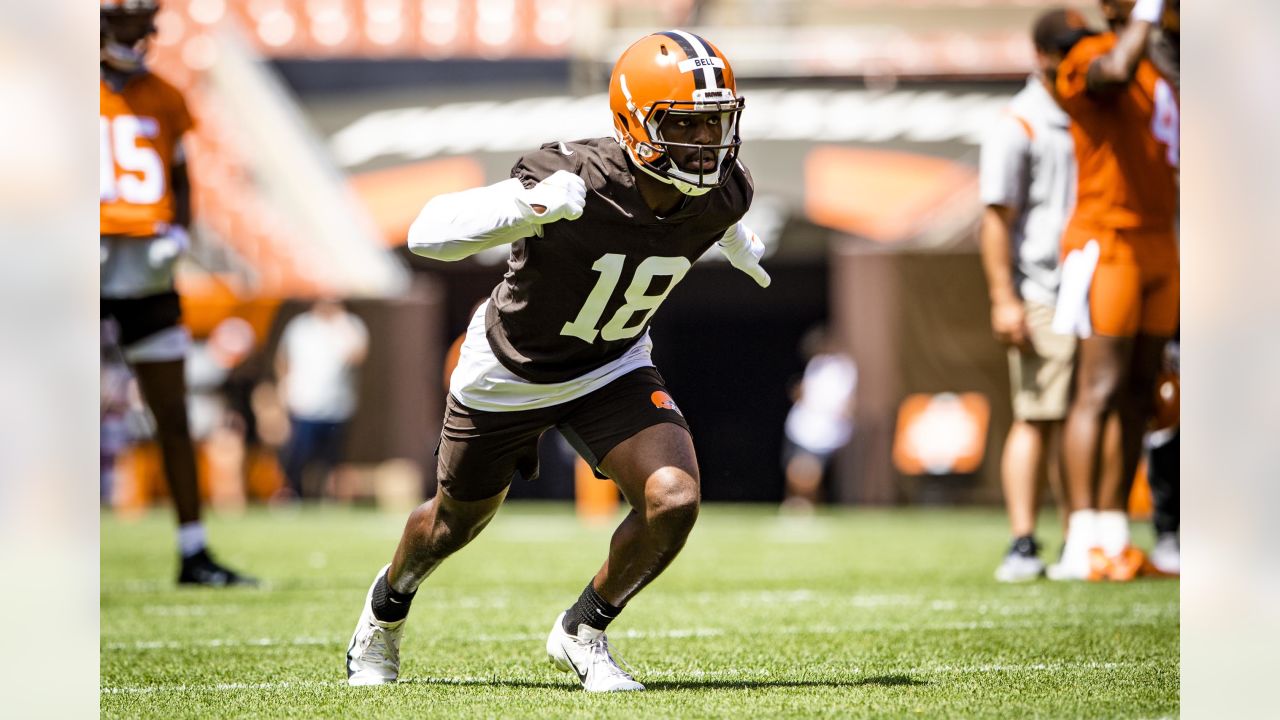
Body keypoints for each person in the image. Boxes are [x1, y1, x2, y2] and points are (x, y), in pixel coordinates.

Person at [344, 30, 770, 692]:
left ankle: (583, 629)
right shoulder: (572, 176)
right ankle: (386, 608)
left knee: (674, 497)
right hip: (513, 369)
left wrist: (737, 240)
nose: (707, 144)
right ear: (636, 124)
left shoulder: (723, 191)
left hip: (611, 366)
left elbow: (720, 212)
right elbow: (425, 233)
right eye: (687, 126)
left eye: (717, 124)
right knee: (452, 526)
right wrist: (522, 208)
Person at [99, 0, 253, 586]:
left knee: (171, 411)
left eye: (144, 23)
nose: (137, 35)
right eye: (126, 23)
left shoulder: (166, 96)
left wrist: (179, 233)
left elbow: (184, 180)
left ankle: (193, 549)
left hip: (147, 272)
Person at [1045, 0, 1180, 581]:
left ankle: (1116, 532)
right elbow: (1115, 75)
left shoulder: (1165, 62)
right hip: (1108, 238)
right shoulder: (1092, 54)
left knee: (1139, 393)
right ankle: (1081, 539)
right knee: (1096, 388)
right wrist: (1146, 18)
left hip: (1159, 239)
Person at [977, 8, 1083, 582]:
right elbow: (995, 218)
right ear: (1043, 54)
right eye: (1069, 48)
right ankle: (1022, 540)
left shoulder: (1089, 111)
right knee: (1039, 416)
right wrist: (1004, 297)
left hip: (1092, 284)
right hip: (1042, 286)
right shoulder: (1019, 122)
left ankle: (1081, 536)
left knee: (1082, 416)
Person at [275, 297, 369, 500]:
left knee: (332, 460)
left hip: (337, 406)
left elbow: (357, 355)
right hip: (303, 403)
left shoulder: (349, 325)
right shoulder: (300, 326)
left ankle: (329, 498)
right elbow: (283, 360)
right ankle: (293, 495)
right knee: (298, 455)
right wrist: (283, 391)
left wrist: (341, 323)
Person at [780, 326, 857, 513]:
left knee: (809, 470)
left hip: (824, 430)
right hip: (803, 427)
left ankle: (805, 505)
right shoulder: (816, 365)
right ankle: (796, 503)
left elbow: (844, 402)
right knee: (796, 468)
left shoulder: (842, 368)